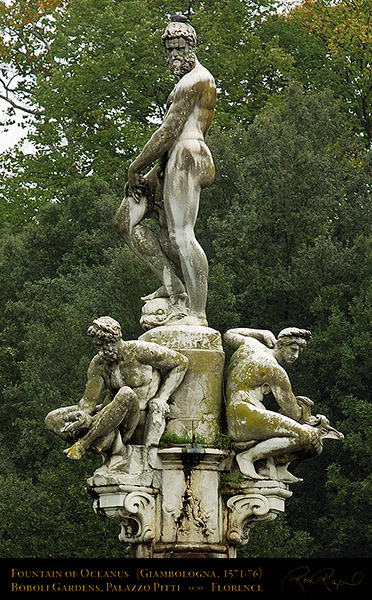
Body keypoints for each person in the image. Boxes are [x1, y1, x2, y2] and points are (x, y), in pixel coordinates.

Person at [113, 18, 216, 327]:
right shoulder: (182, 81)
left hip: (188, 154)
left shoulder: (195, 80)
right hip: (168, 162)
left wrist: (136, 166)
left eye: (179, 48)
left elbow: (169, 131)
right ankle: (174, 288)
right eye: (169, 49)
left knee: (182, 235)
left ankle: (197, 314)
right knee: (124, 221)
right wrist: (154, 171)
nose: (173, 55)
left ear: (192, 47)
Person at [45, 316, 188, 462]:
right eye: (97, 347)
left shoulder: (140, 351)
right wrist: (82, 416)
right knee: (53, 419)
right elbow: (88, 402)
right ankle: (97, 434)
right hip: (107, 416)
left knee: (126, 393)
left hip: (135, 419)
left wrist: (162, 397)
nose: (99, 351)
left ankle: (84, 444)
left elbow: (181, 363)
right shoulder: (99, 364)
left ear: (113, 340)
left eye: (102, 346)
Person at [224, 327, 343, 481]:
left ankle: (277, 466)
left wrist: (262, 333)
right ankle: (247, 457)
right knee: (308, 437)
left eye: (299, 351)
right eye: (293, 349)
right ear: (280, 345)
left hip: (237, 413)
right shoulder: (275, 370)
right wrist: (311, 418)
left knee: (302, 433)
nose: (296, 355)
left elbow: (229, 334)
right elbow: (294, 413)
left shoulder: (251, 345)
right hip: (243, 416)